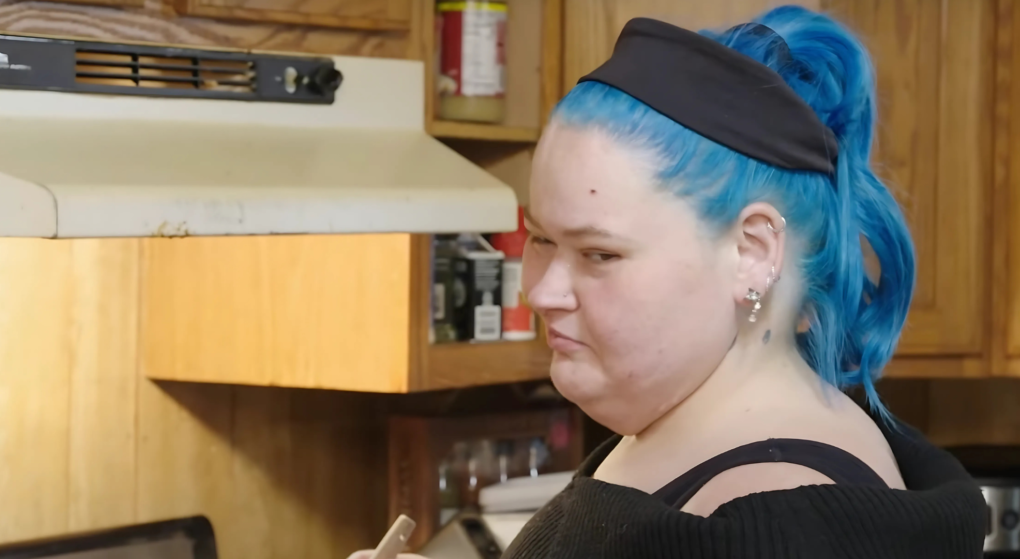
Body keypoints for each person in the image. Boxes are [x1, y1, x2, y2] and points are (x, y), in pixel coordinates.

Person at [349, 5, 986, 558]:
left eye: (598, 255)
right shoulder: (678, 426)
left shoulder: (778, 516)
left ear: (752, 252)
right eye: (542, 239)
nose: (540, 290)